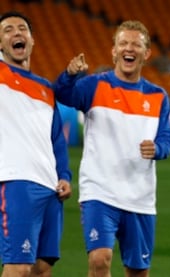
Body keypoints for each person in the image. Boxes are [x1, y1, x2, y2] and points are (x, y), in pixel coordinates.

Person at [53, 20, 170, 277]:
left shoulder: (158, 96)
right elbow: (62, 94)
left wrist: (159, 148)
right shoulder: (94, 86)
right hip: (99, 190)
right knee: (100, 260)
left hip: (140, 196)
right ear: (114, 51)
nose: (128, 48)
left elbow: (167, 135)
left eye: (135, 44)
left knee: (138, 271)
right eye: (123, 43)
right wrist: (70, 75)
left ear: (147, 53)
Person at [0, 11, 72, 277]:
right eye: (8, 30)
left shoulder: (46, 89)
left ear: (32, 40)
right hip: (16, 181)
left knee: (42, 268)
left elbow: (56, 141)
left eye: (22, 29)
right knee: (18, 266)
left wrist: (64, 175)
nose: (16, 33)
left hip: (50, 187)